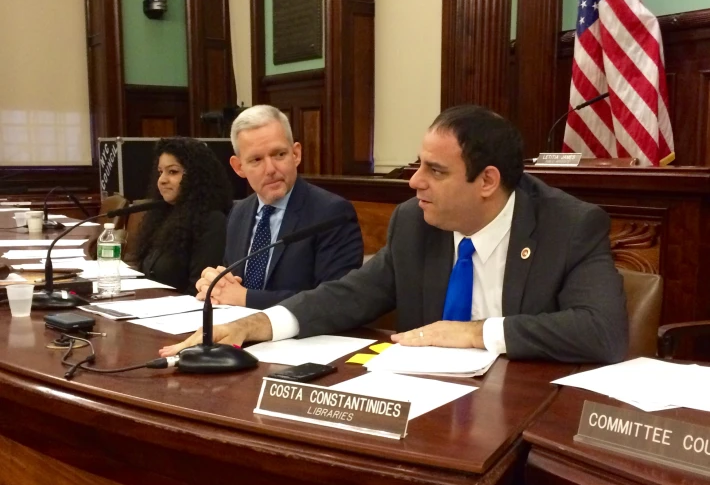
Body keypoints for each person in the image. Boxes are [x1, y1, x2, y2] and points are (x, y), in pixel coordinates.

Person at [162, 105, 628, 364]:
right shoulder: (414, 222)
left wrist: (475, 333)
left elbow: (601, 331)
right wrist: (257, 323)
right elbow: (348, 295)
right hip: (422, 403)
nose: (414, 181)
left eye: (435, 170)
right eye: (418, 163)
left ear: (487, 182)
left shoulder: (568, 225)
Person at [194, 104, 363, 310]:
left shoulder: (332, 213)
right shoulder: (239, 213)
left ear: (296, 154)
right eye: (256, 160)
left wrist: (246, 298)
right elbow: (234, 286)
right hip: (240, 332)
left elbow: (335, 300)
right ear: (239, 167)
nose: (271, 169)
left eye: (279, 155)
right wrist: (217, 286)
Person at [135, 137, 232, 294]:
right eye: (160, 172)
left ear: (196, 177)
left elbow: (199, 289)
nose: (161, 180)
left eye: (172, 172)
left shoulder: (212, 221)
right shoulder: (164, 214)